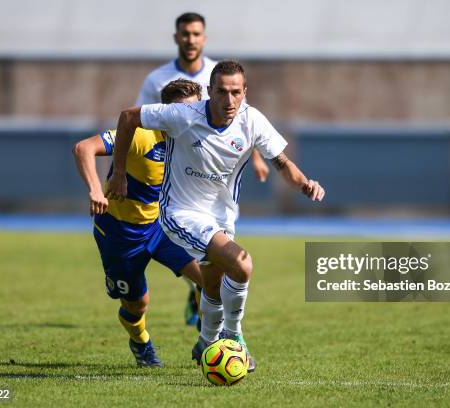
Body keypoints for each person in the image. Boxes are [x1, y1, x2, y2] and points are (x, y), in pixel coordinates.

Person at [106, 60, 325, 372]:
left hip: (222, 217)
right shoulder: (184, 115)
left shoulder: (252, 121)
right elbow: (128, 117)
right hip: (180, 213)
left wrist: (304, 183)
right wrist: (119, 173)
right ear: (210, 92)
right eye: (222, 91)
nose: (229, 99)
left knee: (212, 284)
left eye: (236, 92)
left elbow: (282, 162)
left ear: (244, 92)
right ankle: (233, 338)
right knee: (242, 264)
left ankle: (206, 342)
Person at [136, 12, 270, 327]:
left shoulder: (217, 73)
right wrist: (122, 168)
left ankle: (207, 322)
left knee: (213, 264)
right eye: (185, 33)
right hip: (173, 178)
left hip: (212, 184)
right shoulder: (156, 79)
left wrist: (262, 157)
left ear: (204, 38)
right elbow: (140, 121)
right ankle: (220, 324)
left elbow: (244, 122)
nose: (191, 39)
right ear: (177, 37)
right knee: (208, 255)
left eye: (196, 34)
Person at [72, 79, 204, 367]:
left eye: (193, 110)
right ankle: (141, 342)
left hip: (163, 227)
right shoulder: (142, 135)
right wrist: (96, 189)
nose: (186, 118)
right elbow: (83, 148)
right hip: (121, 232)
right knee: (136, 304)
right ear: (163, 111)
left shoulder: (196, 141)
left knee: (210, 280)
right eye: (179, 111)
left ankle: (210, 342)